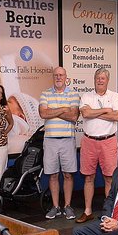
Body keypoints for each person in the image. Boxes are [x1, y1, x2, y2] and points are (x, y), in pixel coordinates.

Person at [77, 68, 118, 222]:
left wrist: (94, 112)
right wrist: (105, 110)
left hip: (108, 141)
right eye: (98, 77)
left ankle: (109, 213)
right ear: (94, 79)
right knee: (88, 177)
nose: (100, 80)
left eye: (103, 78)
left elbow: (116, 116)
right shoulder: (86, 96)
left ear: (107, 80)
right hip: (89, 141)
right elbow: (85, 113)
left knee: (109, 178)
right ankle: (87, 211)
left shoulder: (115, 96)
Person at [39, 66, 79, 218]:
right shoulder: (45, 93)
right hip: (50, 140)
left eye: (61, 75)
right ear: (53, 77)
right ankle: (55, 207)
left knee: (68, 175)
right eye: (56, 75)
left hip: (68, 140)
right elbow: (43, 113)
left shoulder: (73, 94)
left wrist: (53, 110)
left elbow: (73, 116)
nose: (58, 77)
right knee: (53, 175)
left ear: (66, 77)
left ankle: (67, 206)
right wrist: (63, 109)